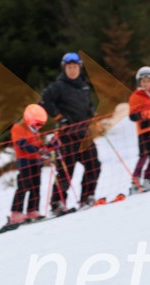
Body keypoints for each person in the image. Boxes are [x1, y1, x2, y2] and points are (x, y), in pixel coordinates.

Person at [40, 52, 102, 213]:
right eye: (69, 67)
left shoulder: (84, 86)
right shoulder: (58, 86)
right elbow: (44, 101)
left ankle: (87, 197)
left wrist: (91, 112)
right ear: (64, 68)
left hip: (84, 134)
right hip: (67, 135)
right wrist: (59, 117)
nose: (72, 70)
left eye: (75, 67)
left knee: (94, 165)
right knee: (66, 170)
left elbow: (88, 105)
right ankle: (57, 203)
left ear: (80, 68)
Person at [3, 104, 50, 228]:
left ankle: (32, 209)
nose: (39, 127)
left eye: (41, 125)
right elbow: (22, 144)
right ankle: (16, 212)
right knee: (24, 186)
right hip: (25, 161)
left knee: (36, 186)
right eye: (38, 124)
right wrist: (37, 149)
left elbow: (39, 145)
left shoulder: (34, 130)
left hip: (36, 161)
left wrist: (46, 148)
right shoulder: (18, 128)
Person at [127, 66, 150, 193]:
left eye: (148, 81)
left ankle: (148, 180)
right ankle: (135, 181)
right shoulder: (136, 96)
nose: (146, 84)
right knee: (144, 155)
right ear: (139, 82)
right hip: (144, 131)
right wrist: (144, 114)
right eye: (143, 81)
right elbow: (132, 115)